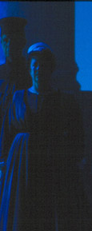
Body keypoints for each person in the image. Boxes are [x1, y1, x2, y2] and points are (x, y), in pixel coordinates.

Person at [0, 43, 92, 231]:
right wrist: (4, 162)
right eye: (34, 65)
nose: (39, 69)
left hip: (52, 170)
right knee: (24, 218)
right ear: (30, 69)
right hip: (22, 169)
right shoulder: (18, 98)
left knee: (51, 220)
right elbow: (7, 133)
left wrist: (71, 162)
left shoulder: (64, 100)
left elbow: (76, 135)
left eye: (43, 65)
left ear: (51, 69)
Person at [0, 17, 30, 164]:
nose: (10, 45)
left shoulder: (30, 76)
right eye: (6, 40)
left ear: (22, 42)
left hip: (20, 146)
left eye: (14, 40)